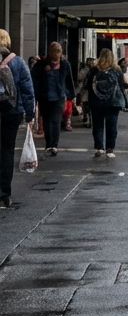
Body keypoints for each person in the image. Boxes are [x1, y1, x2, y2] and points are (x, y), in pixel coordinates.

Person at [0, 30, 36, 208]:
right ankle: (4, 194)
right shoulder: (18, 62)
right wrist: (30, 115)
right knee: (7, 151)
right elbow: (28, 90)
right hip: (12, 111)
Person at [31, 42, 76, 157]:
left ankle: (53, 145)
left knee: (54, 120)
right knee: (49, 120)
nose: (56, 57)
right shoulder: (42, 64)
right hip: (45, 95)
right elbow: (34, 78)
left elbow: (69, 79)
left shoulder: (64, 64)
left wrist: (71, 95)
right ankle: (50, 144)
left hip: (58, 95)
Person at [83, 49, 128, 159]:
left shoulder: (94, 70)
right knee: (112, 125)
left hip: (96, 101)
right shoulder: (117, 71)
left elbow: (87, 85)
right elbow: (123, 85)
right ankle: (110, 149)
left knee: (98, 125)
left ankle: (99, 148)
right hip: (113, 102)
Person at [76, 57, 96, 127]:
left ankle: (88, 119)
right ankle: (88, 118)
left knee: (87, 105)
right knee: (87, 105)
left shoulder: (87, 70)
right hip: (88, 90)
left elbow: (79, 77)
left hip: (87, 90)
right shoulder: (93, 70)